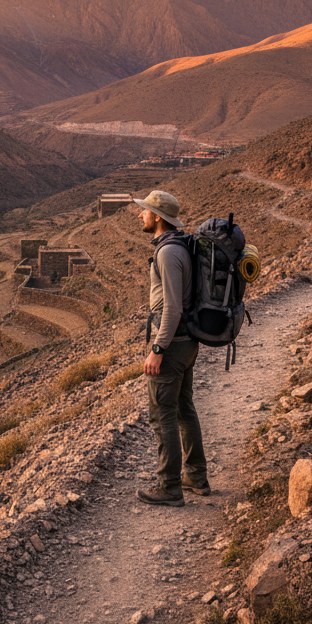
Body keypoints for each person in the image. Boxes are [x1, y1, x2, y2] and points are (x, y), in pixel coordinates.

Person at [133, 189, 210, 506]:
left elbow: (173, 308)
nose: (141, 215)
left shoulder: (167, 254)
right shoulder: (179, 247)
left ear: (158, 217)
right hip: (187, 342)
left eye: (145, 211)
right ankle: (195, 476)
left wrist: (158, 349)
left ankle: (170, 487)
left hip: (173, 344)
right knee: (183, 409)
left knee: (162, 415)